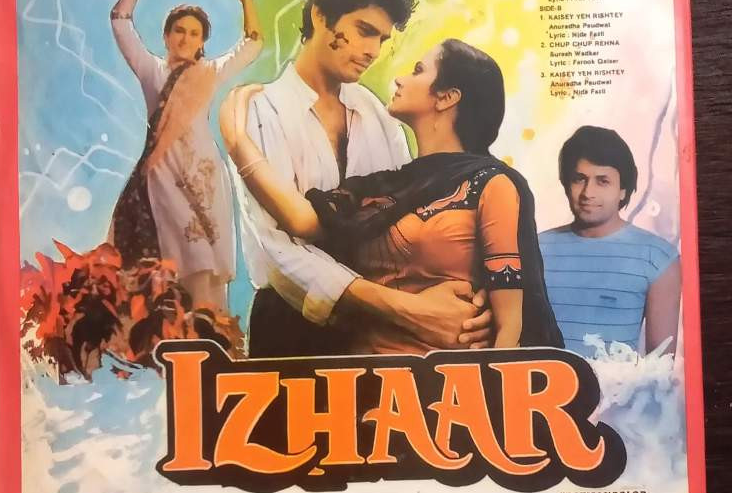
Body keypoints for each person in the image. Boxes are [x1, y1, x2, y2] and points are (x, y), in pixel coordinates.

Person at [221, 40, 563, 355]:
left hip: (446, 383)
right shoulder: (387, 185)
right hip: (363, 374)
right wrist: (239, 145)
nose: (399, 79)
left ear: (447, 97)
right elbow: (301, 221)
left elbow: (510, 331)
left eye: (418, 70)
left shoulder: (491, 184)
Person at [228, 0, 493, 357]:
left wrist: (455, 297)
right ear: (320, 16)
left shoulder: (377, 114)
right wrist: (409, 309)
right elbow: (279, 253)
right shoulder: (261, 112)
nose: (373, 50)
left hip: (382, 332)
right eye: (365, 30)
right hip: (290, 328)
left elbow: (402, 224)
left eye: (382, 39)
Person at [109, 0, 262, 312]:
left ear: (202, 43)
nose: (185, 38)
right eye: (179, 30)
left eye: (194, 34)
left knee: (205, 266)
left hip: (204, 179)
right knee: (177, 260)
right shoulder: (151, 71)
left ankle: (208, 331)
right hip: (162, 175)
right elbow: (119, 20)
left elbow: (253, 43)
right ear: (166, 36)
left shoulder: (209, 73)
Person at [539, 126, 681, 357]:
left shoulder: (658, 257)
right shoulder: (535, 249)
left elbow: (660, 366)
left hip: (617, 382)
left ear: (623, 189)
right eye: (579, 179)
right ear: (566, 184)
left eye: (602, 181)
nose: (588, 193)